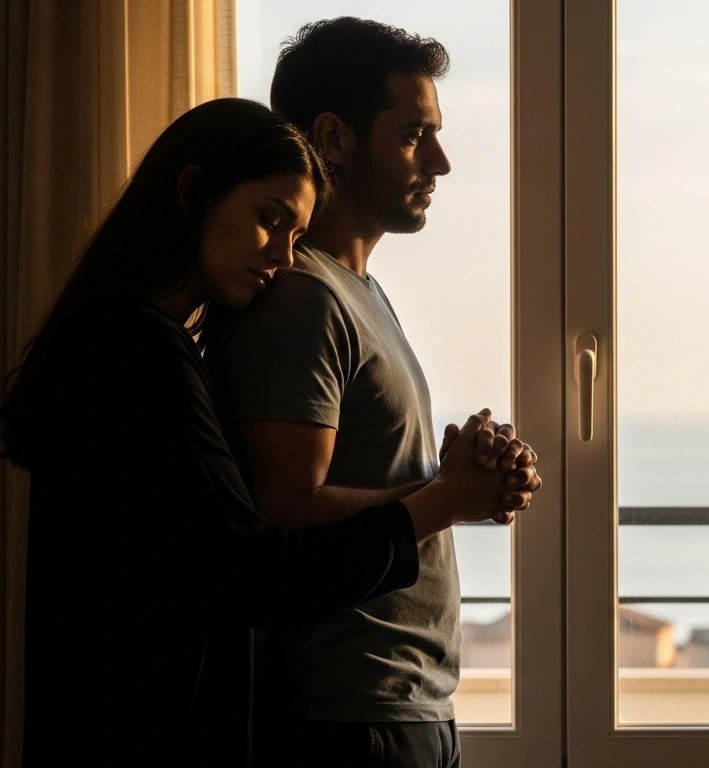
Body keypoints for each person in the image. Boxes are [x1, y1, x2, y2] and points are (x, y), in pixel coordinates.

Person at [0, 97, 533, 767]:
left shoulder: (143, 342)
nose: (282, 254)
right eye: (268, 220)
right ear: (193, 193)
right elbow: (254, 566)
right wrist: (442, 500)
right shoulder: (135, 350)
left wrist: (443, 490)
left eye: (293, 230)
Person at [203, 19, 540, 768]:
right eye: (416, 135)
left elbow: (373, 490)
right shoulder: (302, 301)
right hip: (349, 717)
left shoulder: (356, 293)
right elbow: (286, 508)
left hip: (393, 705)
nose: (442, 162)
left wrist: (459, 483)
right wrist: (450, 496)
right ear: (334, 138)